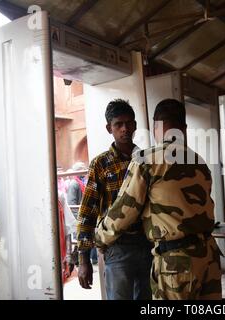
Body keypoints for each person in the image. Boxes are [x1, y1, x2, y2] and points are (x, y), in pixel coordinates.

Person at [96, 99, 222, 300]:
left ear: (155, 126)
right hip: (209, 257)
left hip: (177, 264)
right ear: (184, 128)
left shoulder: (147, 159)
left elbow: (124, 211)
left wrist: (99, 239)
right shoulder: (199, 161)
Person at [76, 99, 152, 300]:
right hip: (117, 249)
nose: (125, 129)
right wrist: (83, 259)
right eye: (118, 124)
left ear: (135, 125)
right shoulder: (101, 164)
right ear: (109, 128)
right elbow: (87, 213)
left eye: (129, 123)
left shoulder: (146, 159)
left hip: (148, 246)